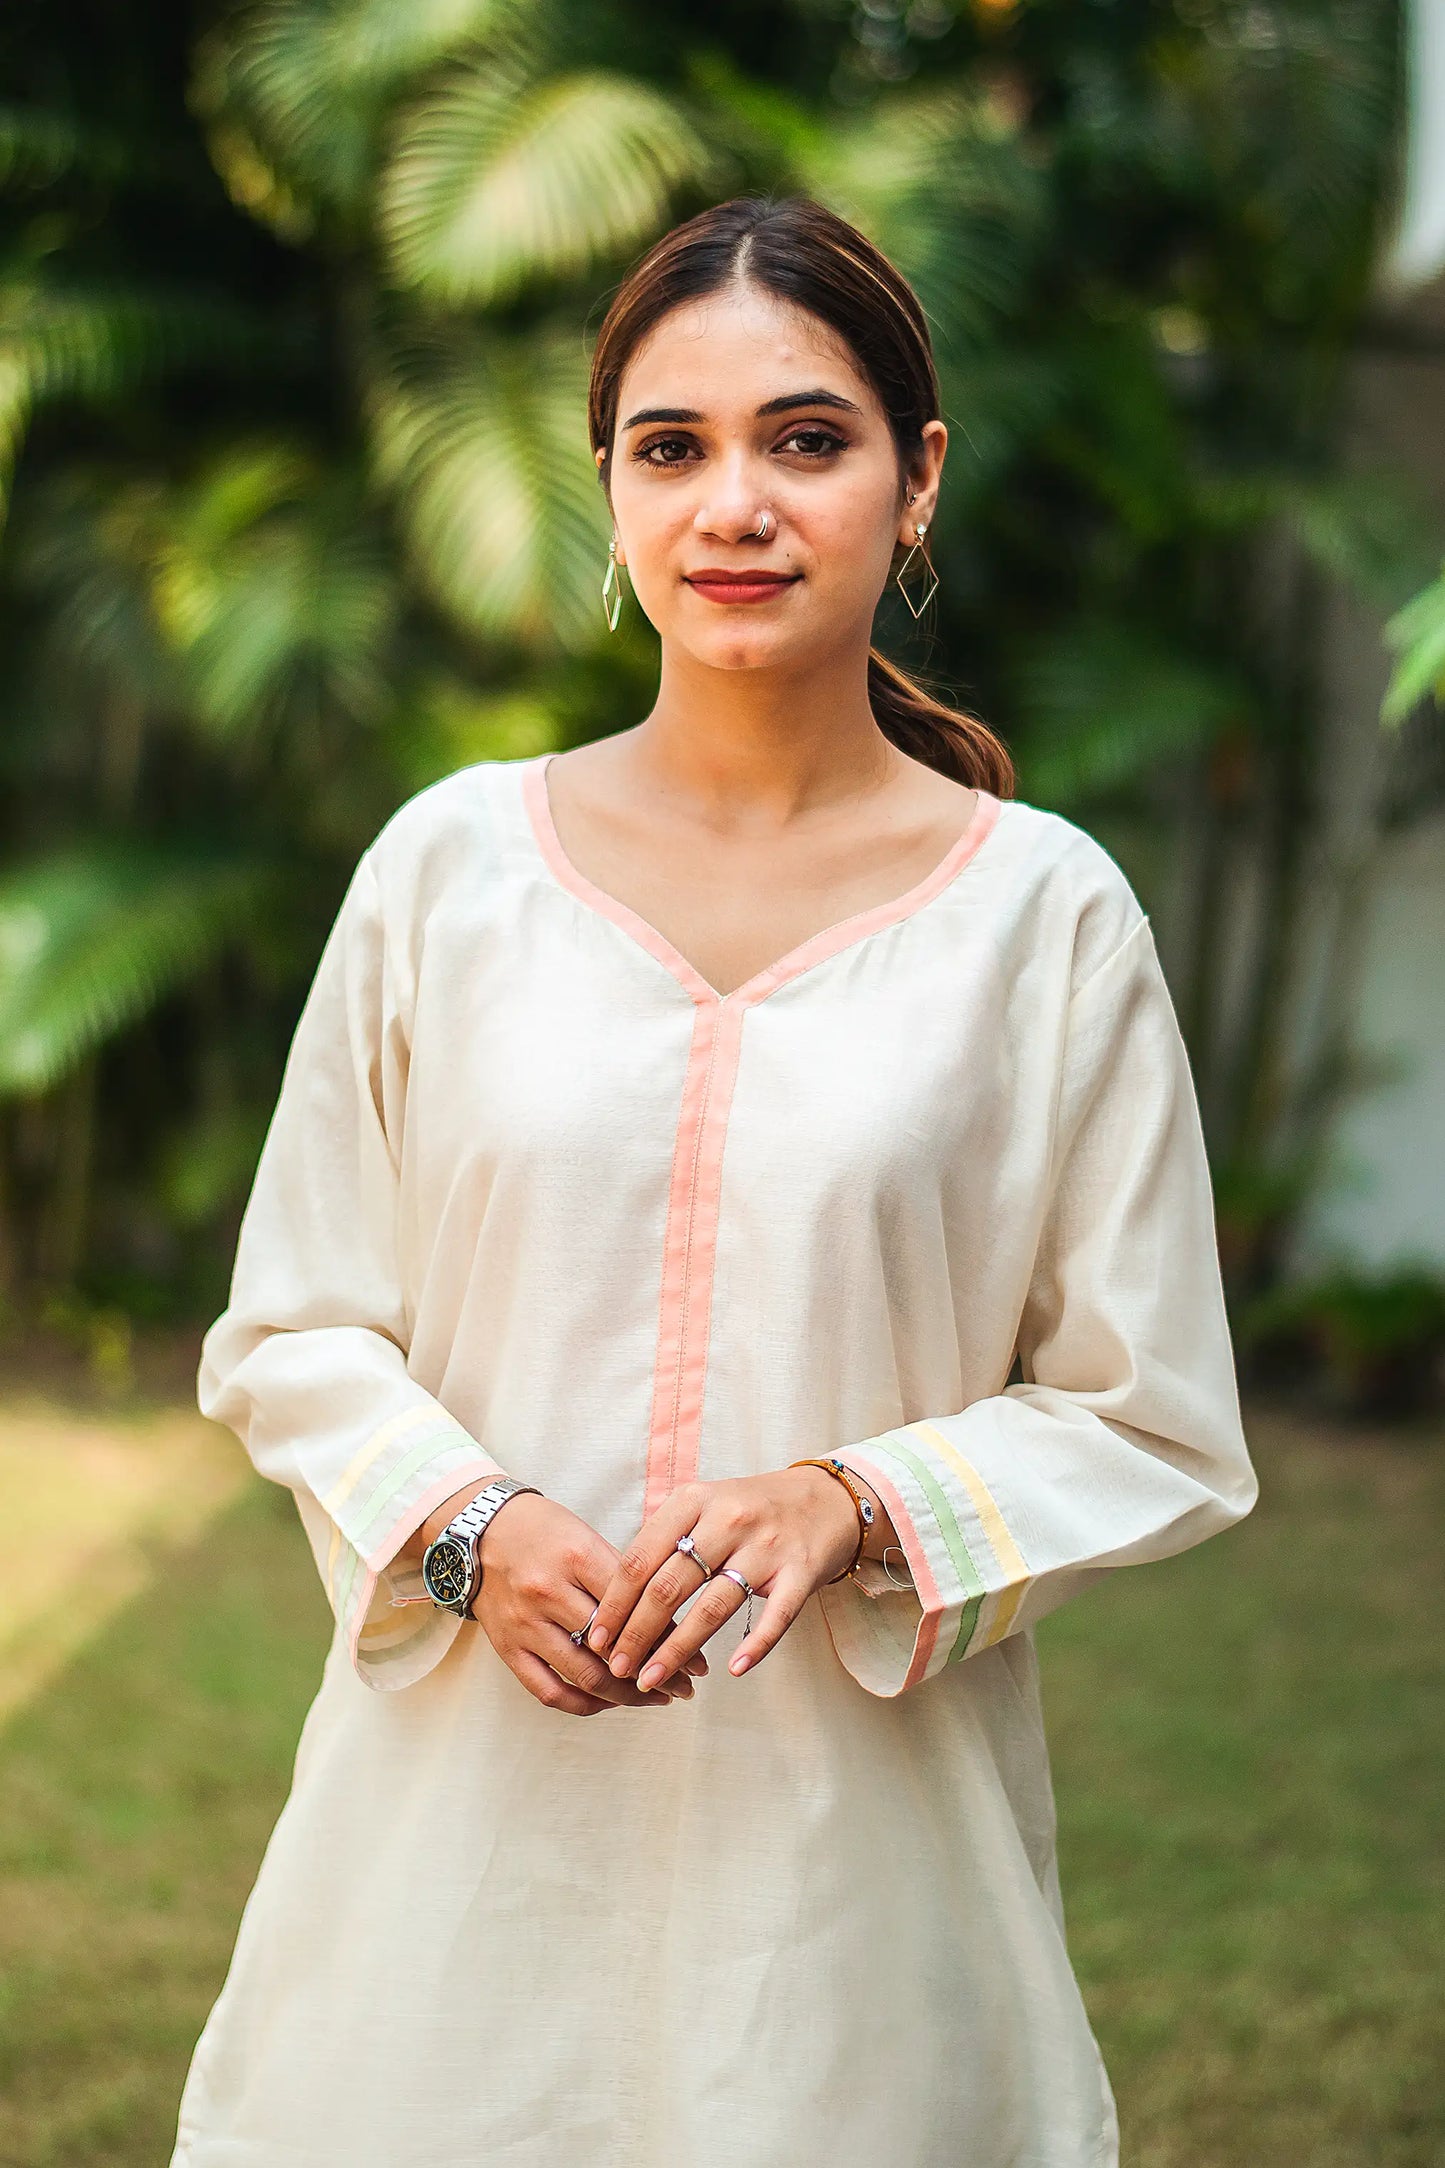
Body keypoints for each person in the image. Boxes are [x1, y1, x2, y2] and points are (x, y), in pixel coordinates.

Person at [169, 195, 1257, 2168]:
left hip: (856, 1917)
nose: (734, 502)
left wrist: (854, 1499)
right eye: (672, 446)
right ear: (608, 491)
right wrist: (466, 1529)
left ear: (916, 483)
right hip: (444, 1893)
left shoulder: (1046, 919)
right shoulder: (449, 873)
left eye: (807, 438)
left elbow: (1153, 1411)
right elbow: (295, 1325)